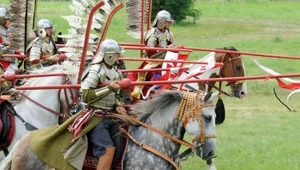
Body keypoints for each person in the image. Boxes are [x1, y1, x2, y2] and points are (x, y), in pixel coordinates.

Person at [80, 39, 126, 170]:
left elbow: (116, 95)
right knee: (107, 149)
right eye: (117, 54)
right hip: (94, 116)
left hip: (110, 115)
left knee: (120, 144)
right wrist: (109, 88)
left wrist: (118, 105)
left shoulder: (115, 72)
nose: (119, 57)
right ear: (109, 55)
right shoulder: (95, 70)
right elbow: (86, 96)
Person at [131, 9, 175, 99]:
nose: (169, 24)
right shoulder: (152, 34)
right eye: (168, 22)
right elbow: (150, 52)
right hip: (152, 63)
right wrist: (166, 49)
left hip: (166, 61)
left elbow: (170, 45)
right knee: (157, 78)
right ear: (161, 22)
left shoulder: (168, 33)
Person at [0, 4, 12, 94]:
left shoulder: (9, 32)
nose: (9, 21)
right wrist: (5, 44)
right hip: (2, 64)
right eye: (7, 19)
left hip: (9, 62)